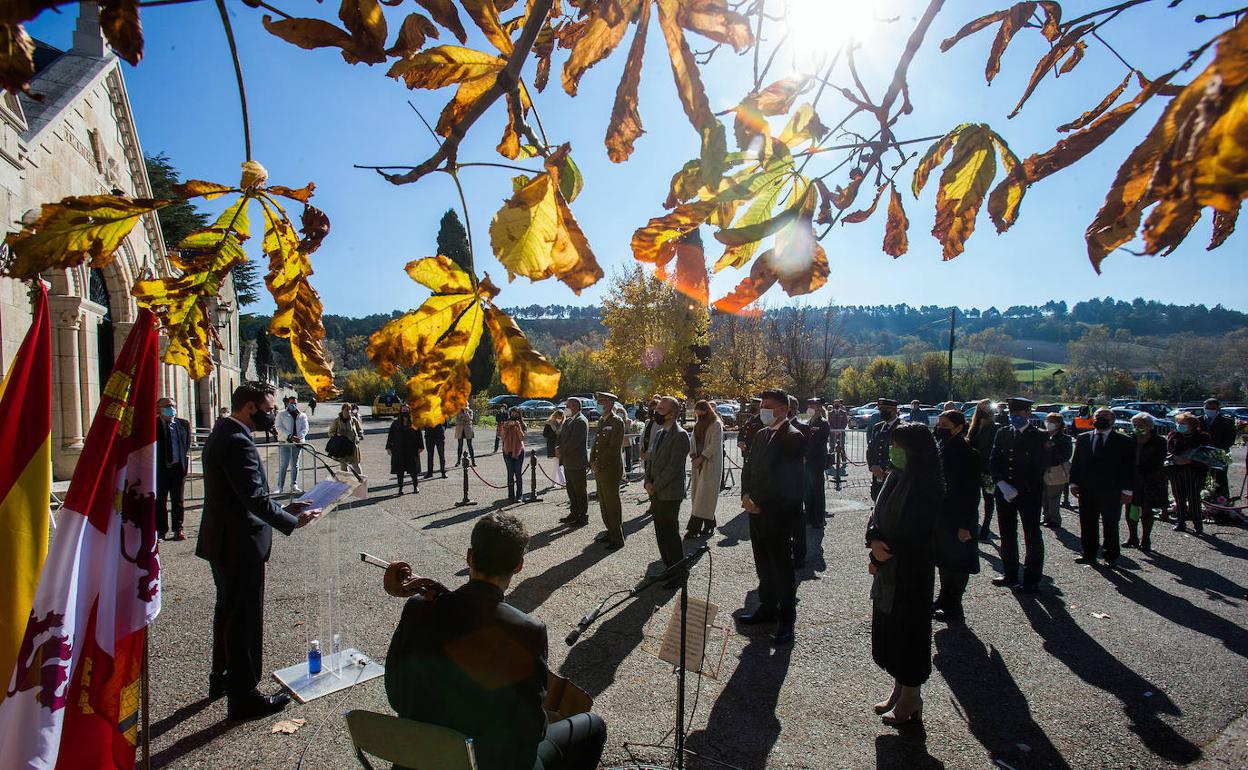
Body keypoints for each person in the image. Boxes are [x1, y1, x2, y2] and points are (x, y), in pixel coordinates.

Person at [385, 513, 607, 770]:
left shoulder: (418, 607)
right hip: (485, 762)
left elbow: (396, 694)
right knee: (592, 725)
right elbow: (532, 731)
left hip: (419, 755)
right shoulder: (526, 630)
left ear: (470, 556)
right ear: (518, 566)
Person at [196, 382, 320, 719]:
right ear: (250, 407)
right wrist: (291, 521)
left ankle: (221, 677)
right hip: (239, 545)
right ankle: (244, 695)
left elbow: (244, 494)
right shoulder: (237, 441)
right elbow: (253, 498)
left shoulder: (222, 432)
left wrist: (285, 509)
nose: (274, 414)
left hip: (222, 540)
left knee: (227, 612)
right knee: (244, 620)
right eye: (269, 409)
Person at [865, 423, 941, 725]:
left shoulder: (928, 485)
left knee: (909, 634)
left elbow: (913, 532)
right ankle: (898, 688)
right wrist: (873, 540)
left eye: (899, 446)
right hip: (888, 570)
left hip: (910, 572)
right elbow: (877, 514)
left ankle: (911, 697)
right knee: (890, 630)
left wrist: (880, 556)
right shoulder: (895, 476)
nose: (892, 451)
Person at [738, 388, 804, 645]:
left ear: (782, 409)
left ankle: (786, 619)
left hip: (777, 514)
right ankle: (767, 607)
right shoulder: (762, 434)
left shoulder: (793, 437)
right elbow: (749, 467)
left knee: (782, 567)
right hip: (755, 512)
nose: (762, 410)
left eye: (767, 406)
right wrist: (745, 495)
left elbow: (788, 482)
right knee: (763, 563)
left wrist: (761, 504)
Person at [989, 397, 1048, 593]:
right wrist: (1002, 484)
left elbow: (1040, 467)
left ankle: (1031, 579)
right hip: (1005, 493)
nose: (1014, 417)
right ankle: (1010, 573)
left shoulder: (1039, 436)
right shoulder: (1003, 433)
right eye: (1012, 414)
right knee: (1007, 534)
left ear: (1028, 414)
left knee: (1032, 535)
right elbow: (994, 460)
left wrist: (1019, 489)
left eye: (1018, 414)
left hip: (1029, 494)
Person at [1069, 407, 1135, 567]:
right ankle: (1088, 554)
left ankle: (1111, 556)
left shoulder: (1123, 441)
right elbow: (1076, 462)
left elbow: (1129, 467)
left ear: (1112, 421)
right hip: (1087, 489)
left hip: (1111, 491)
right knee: (1087, 522)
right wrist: (1073, 483)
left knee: (1110, 524)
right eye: (1098, 416)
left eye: (1104, 416)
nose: (1100, 419)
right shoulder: (1084, 438)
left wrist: (1127, 490)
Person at [933, 410, 979, 624]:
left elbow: (970, 494)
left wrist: (965, 525)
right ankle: (943, 598)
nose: (940, 428)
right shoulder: (943, 448)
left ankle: (954, 604)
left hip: (959, 516)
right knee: (944, 559)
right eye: (940, 424)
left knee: (958, 562)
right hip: (943, 514)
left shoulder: (967, 453)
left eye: (945, 424)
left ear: (959, 427)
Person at [644, 396, 690, 583]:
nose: (657, 412)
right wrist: (647, 481)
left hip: (669, 493)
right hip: (655, 491)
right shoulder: (660, 433)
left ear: (672, 414)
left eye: (661, 410)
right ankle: (669, 568)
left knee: (670, 534)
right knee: (661, 533)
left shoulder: (680, 435)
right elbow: (651, 460)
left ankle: (679, 573)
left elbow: (674, 467)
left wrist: (655, 486)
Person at [1125, 413, 1167, 553]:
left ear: (1149, 426)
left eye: (1140, 426)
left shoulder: (1159, 441)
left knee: (1146, 509)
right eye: (1134, 425)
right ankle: (1132, 537)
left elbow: (1159, 461)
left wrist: (1145, 473)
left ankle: (1146, 539)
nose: (1137, 428)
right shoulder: (1129, 439)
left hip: (1150, 478)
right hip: (1131, 478)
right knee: (1130, 509)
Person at [590, 393, 626, 548]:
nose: (599, 405)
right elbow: (596, 444)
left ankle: (617, 538)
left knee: (612, 503)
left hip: (610, 468)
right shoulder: (601, 420)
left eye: (602, 402)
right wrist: (591, 461)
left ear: (610, 404)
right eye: (598, 402)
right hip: (600, 468)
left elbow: (613, 448)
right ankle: (610, 531)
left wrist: (598, 462)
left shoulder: (616, 422)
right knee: (603, 502)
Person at [1167, 412, 1211, 534]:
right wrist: (1174, 459)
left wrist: (1189, 461)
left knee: (1193, 497)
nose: (1180, 425)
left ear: (1192, 425)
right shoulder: (1174, 435)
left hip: (1193, 471)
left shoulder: (1203, 436)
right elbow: (1169, 450)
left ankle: (1197, 523)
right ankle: (1181, 521)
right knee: (1178, 496)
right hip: (1176, 470)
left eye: (1183, 423)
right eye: (1178, 423)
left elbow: (1206, 455)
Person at [687, 399, 723, 538]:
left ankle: (693, 529)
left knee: (704, 496)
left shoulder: (716, 425)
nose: (698, 416)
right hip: (698, 463)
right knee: (699, 497)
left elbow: (714, 445)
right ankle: (709, 523)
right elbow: (693, 440)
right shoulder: (698, 424)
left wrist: (701, 457)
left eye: (700, 413)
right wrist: (693, 455)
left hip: (710, 463)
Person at [156, 396, 191, 541]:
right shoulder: (153, 426)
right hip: (161, 470)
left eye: (173, 405)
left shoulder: (183, 424)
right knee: (160, 501)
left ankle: (178, 529)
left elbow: (186, 445)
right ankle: (161, 530)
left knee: (178, 500)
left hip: (178, 469)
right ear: (159, 409)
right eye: (168, 405)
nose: (171, 408)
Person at [968, 400, 998, 541]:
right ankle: (973, 526)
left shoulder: (994, 428)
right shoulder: (973, 427)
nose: (982, 411)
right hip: (974, 469)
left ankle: (985, 527)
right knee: (973, 499)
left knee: (988, 499)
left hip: (987, 471)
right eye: (980, 408)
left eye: (984, 408)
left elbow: (992, 449)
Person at [786, 394, 811, 567]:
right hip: (778, 481)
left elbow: (805, 456)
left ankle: (799, 554)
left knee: (796, 519)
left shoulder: (802, 428)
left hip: (795, 480)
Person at [557, 398, 590, 526]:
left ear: (575, 406)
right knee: (571, 490)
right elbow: (562, 437)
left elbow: (574, 442)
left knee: (580, 490)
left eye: (568, 406)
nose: (566, 408)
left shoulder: (581, 421)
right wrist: (557, 448)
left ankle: (582, 516)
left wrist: (561, 451)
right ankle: (574, 513)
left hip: (577, 461)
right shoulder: (569, 420)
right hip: (568, 461)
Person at [1040, 412, 1073, 528]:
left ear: (1059, 424)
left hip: (1056, 470)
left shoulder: (1064, 439)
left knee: (1053, 496)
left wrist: (1052, 449)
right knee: (1043, 495)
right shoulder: (1043, 436)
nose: (1049, 424)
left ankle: (1055, 519)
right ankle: (1046, 517)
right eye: (1047, 421)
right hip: (1043, 469)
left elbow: (1066, 455)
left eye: (1052, 422)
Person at [1200, 398, 1236, 500]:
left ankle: (1223, 500)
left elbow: (1230, 439)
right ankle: (1204, 500)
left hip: (1220, 454)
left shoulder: (1227, 421)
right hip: (1202, 455)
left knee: (1220, 478)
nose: (1210, 410)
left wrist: (1217, 449)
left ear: (1218, 409)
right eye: (1208, 408)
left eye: (1213, 408)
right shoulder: (1198, 420)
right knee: (1202, 478)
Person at [804, 399, 830, 529]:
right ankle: (809, 517)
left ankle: (819, 519)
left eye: (813, 406)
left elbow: (818, 444)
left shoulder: (823, 423)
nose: (810, 408)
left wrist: (806, 456)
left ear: (819, 408)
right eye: (809, 406)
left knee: (817, 490)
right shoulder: (808, 422)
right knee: (807, 491)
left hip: (816, 461)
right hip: (807, 462)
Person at [867, 398, 901, 501]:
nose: (881, 413)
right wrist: (872, 466)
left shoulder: (901, 428)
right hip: (877, 473)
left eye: (885, 410)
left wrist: (883, 468)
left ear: (894, 410)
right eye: (880, 410)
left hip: (893, 474)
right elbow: (871, 448)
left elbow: (901, 454)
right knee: (877, 499)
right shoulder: (878, 427)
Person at [385, 406, 423, 495]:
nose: (405, 411)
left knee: (413, 469)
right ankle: (400, 488)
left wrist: (421, 446)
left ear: (409, 411)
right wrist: (388, 447)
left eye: (406, 410)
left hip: (412, 449)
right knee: (399, 469)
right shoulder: (395, 423)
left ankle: (415, 486)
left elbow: (419, 435)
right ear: (400, 411)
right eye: (403, 410)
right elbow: (390, 436)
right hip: (399, 449)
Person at [275, 396, 308, 495]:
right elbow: (278, 427)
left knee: (295, 464)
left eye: (295, 403)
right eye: (291, 403)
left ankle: (294, 484)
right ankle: (279, 486)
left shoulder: (302, 416)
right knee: (284, 464)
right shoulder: (281, 414)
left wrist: (300, 437)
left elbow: (305, 428)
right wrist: (289, 436)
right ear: (287, 404)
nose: (293, 405)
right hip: (285, 442)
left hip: (297, 443)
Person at [328, 403, 364, 476]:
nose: (348, 412)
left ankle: (361, 481)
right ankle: (346, 483)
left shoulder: (354, 420)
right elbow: (330, 433)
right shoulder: (337, 421)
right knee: (344, 466)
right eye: (346, 410)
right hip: (342, 447)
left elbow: (360, 430)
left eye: (350, 410)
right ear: (342, 410)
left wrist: (359, 436)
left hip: (353, 446)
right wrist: (336, 435)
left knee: (356, 465)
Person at [500, 408, 527, 502]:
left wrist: (518, 427)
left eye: (516, 414)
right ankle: (510, 496)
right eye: (512, 414)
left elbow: (522, 438)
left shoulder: (522, 424)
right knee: (510, 473)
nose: (514, 416)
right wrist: (506, 427)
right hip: (507, 451)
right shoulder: (506, 424)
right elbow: (502, 437)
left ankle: (519, 495)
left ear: (519, 415)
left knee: (518, 473)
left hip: (519, 451)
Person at [828, 399, 849, 471]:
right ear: (833, 404)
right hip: (832, 433)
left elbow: (845, 422)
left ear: (840, 404)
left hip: (841, 433)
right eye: (835, 403)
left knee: (842, 447)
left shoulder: (843, 412)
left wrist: (840, 429)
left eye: (838, 403)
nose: (836, 404)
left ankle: (844, 461)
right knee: (832, 447)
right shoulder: (830, 413)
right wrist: (834, 430)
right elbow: (829, 422)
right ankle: (830, 461)